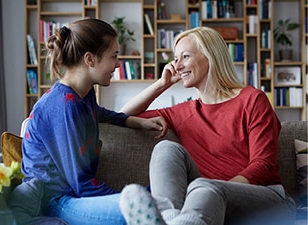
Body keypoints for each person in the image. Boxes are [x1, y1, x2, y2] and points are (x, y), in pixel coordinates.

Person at [118, 26, 296, 225]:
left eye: (185, 57)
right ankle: (167, 219)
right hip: (205, 201)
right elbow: (121, 116)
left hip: (266, 199)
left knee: (204, 188)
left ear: (210, 57)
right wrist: (162, 84)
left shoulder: (252, 100)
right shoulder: (183, 112)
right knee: (165, 149)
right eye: (176, 59)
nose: (177, 66)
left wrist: (215, 191)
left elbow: (263, 166)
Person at [10, 18, 168, 225]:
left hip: (73, 196)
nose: (118, 64)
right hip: (56, 202)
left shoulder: (83, 95)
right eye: (114, 56)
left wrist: (136, 122)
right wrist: (127, 197)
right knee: (142, 200)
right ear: (90, 59)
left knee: (159, 199)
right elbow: (82, 184)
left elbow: (98, 113)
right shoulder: (63, 106)